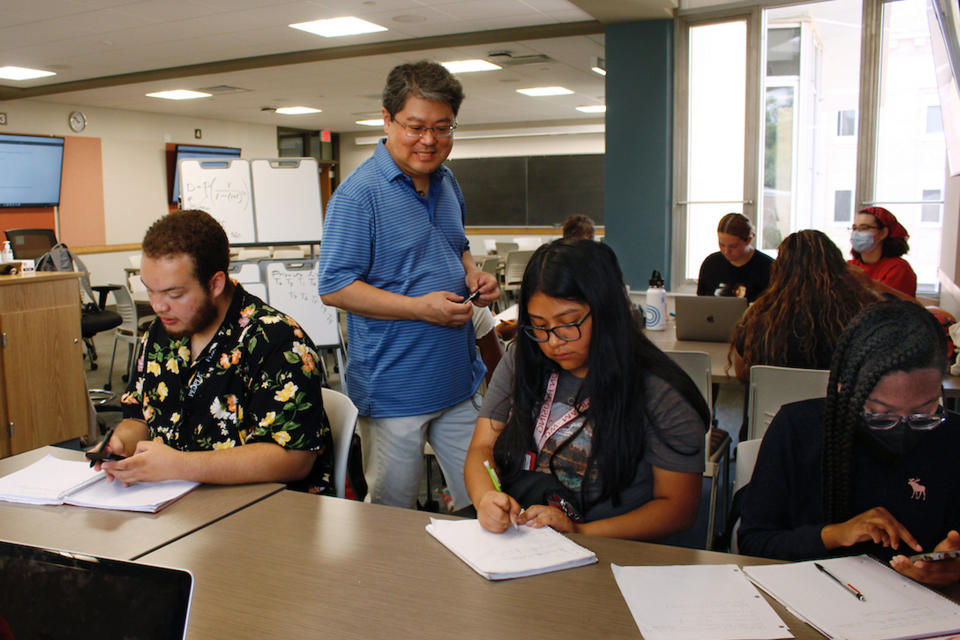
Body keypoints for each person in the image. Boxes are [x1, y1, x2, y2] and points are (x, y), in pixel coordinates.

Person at [316, 61, 499, 509]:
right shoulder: (359, 196)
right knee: (393, 519)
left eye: (443, 127)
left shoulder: (447, 179)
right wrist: (420, 308)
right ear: (387, 118)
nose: (430, 141)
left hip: (459, 381)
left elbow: (457, 245)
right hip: (395, 389)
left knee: (486, 502)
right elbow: (334, 287)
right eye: (415, 127)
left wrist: (472, 272)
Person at [466, 239, 708, 540]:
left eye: (568, 323)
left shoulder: (661, 392)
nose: (553, 341)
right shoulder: (523, 359)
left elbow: (678, 509)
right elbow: (482, 448)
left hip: (610, 547)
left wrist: (580, 531)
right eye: (539, 326)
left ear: (607, 312)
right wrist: (485, 497)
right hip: (525, 536)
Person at [101, 210, 333, 492]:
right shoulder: (161, 333)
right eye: (150, 290)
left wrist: (179, 465)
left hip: (264, 511)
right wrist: (120, 443)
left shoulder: (275, 341)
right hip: (176, 501)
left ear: (215, 284)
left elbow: (294, 459)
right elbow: (138, 413)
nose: (158, 306)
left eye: (174, 294)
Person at [737, 300, 960, 586]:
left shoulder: (951, 438)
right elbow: (754, 541)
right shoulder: (798, 429)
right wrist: (836, 534)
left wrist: (951, 569)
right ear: (845, 389)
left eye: (923, 413)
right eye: (881, 415)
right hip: (813, 598)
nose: (903, 428)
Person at [729, 230, 878, 381]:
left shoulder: (761, 316)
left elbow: (742, 374)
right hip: (838, 402)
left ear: (780, 269)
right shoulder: (861, 311)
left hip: (774, 402)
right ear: (838, 265)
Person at [697, 213, 773, 302]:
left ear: (749, 240)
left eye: (733, 246)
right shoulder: (711, 264)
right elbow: (701, 302)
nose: (726, 251)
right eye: (722, 245)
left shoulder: (768, 267)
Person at [848, 206, 917, 298]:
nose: (856, 233)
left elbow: (889, 306)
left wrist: (870, 283)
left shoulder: (899, 269)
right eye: (854, 228)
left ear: (883, 233)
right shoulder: (850, 266)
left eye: (864, 228)